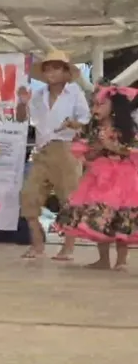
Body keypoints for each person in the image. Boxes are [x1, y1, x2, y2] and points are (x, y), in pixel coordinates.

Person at [15, 50, 90, 260]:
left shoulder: (74, 92)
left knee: (69, 198)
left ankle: (68, 247)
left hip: (66, 148)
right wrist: (22, 102)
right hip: (42, 150)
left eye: (56, 67)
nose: (51, 72)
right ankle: (37, 243)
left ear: (66, 72)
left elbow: (85, 120)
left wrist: (72, 124)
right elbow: (21, 119)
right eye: (47, 68)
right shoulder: (38, 95)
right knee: (28, 196)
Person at [55, 85, 138, 270]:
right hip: (99, 175)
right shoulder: (92, 129)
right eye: (94, 105)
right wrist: (96, 150)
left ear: (114, 107)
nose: (95, 109)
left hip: (123, 177)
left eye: (100, 105)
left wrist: (111, 146)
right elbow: (85, 153)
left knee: (121, 216)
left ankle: (122, 260)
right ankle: (103, 259)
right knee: (99, 215)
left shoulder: (126, 129)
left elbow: (132, 150)